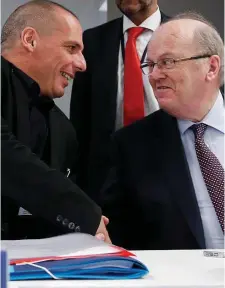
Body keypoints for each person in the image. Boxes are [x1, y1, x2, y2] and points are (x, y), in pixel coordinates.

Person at [101, 12, 224, 250]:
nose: (154, 75)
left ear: (211, 67)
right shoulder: (132, 145)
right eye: (150, 64)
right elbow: (116, 236)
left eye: (167, 62)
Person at [1, 0, 111, 243]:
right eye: (71, 48)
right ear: (30, 39)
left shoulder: (64, 129)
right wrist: (82, 213)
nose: (82, 64)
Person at [70, 0, 169, 203]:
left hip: (168, 168)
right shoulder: (92, 40)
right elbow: (80, 120)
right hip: (105, 179)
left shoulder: (187, 35)